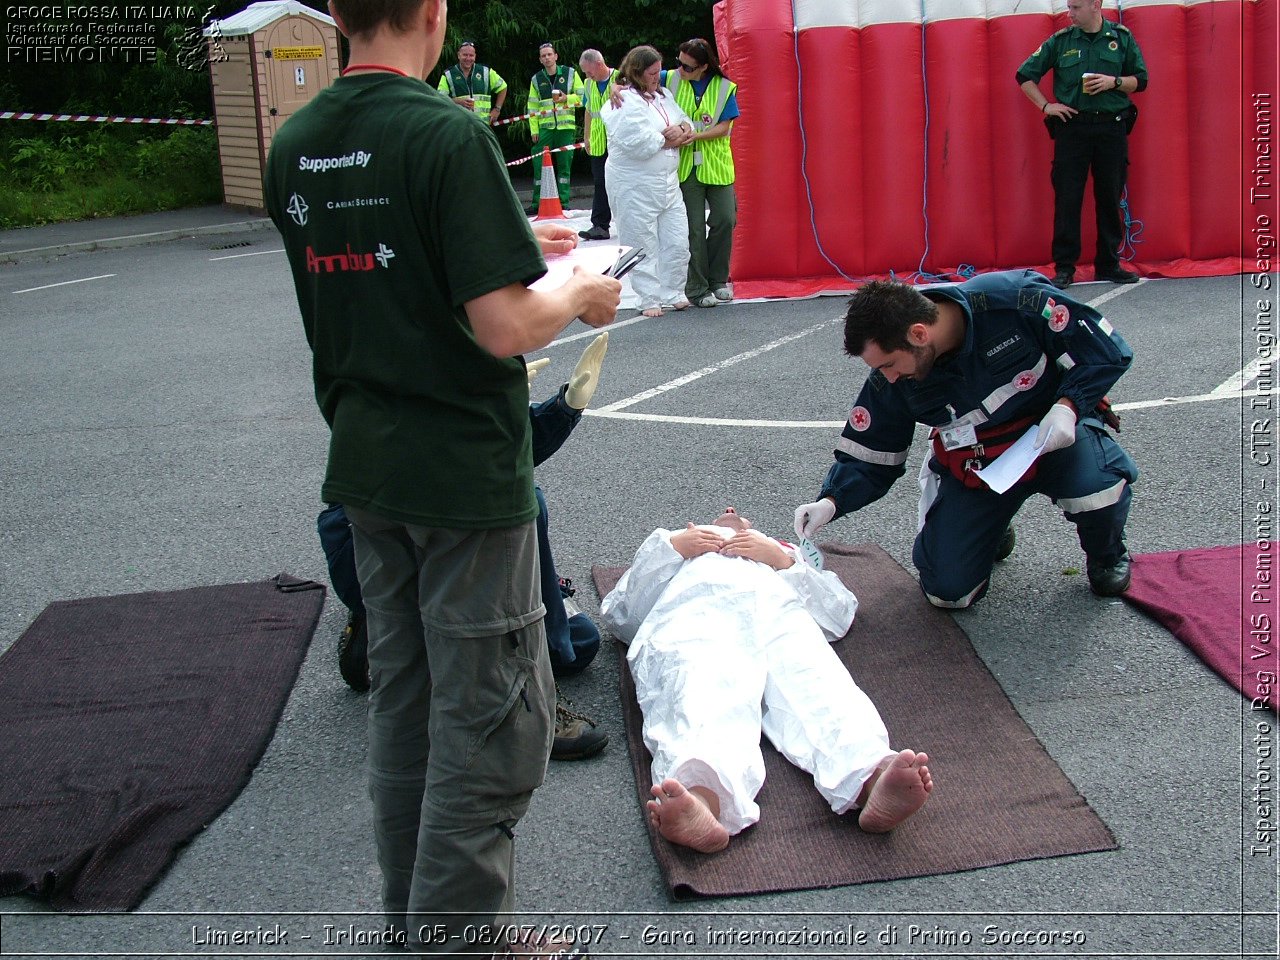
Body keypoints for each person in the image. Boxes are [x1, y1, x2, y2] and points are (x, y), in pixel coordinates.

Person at [262, 0, 621, 948]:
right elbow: (502, 328)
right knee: (492, 732)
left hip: (366, 471)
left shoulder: (296, 141)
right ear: (434, 12)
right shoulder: (445, 131)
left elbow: (386, 270)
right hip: (462, 481)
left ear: (338, 13)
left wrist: (514, 254)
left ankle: (419, 930)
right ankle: (458, 944)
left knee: (409, 718)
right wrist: (578, 289)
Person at [316, 337, 613, 762]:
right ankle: (526, 707)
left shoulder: (437, 397)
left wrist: (566, 407)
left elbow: (494, 454)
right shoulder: (401, 405)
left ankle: (402, 641)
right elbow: (478, 463)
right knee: (519, 509)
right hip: (381, 557)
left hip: (431, 549)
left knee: (577, 641)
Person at [794, 270, 1138, 611]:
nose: (889, 376)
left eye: (889, 364)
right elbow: (872, 454)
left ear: (918, 333)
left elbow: (1105, 349)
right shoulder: (894, 379)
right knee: (947, 591)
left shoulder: (1015, 301)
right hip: (980, 463)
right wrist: (831, 501)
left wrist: (1069, 406)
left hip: (1054, 438)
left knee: (1098, 489)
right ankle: (993, 527)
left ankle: (1107, 555)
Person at [600, 507, 933, 853]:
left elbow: (838, 613)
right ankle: (701, 799)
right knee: (701, 690)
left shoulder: (783, 551)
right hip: (699, 619)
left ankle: (871, 775)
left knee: (818, 685)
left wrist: (784, 562)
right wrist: (673, 548)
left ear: (752, 525)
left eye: (738, 513)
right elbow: (622, 614)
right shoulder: (672, 545)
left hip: (778, 619)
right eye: (723, 511)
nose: (730, 510)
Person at [1016, 0, 1148, 290]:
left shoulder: (1120, 37)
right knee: (1067, 198)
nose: (1069, 13)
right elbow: (1024, 75)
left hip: (1111, 127)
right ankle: (1064, 268)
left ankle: (1109, 263)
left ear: (1095, 5)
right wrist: (1046, 106)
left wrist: (1113, 82)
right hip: (1072, 128)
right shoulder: (1061, 41)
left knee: (1110, 196)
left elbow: (1141, 80)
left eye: (1076, 7)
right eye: (1069, 6)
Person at [601, 45, 694, 318]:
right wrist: (672, 137)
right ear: (638, 72)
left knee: (677, 240)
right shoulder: (622, 102)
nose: (657, 77)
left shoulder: (662, 95)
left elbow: (685, 122)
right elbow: (639, 143)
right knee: (641, 241)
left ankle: (674, 291)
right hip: (634, 184)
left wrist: (682, 130)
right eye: (652, 73)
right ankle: (648, 297)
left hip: (667, 183)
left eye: (658, 72)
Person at [666, 38, 738, 309]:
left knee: (725, 220)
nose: (680, 69)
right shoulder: (670, 79)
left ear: (704, 67)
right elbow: (638, 74)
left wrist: (696, 135)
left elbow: (724, 127)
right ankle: (697, 287)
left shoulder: (724, 87)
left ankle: (718, 280)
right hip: (686, 168)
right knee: (693, 228)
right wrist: (616, 85)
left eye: (687, 66)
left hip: (717, 165)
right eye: (679, 62)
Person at [527, 42, 584, 212]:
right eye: (543, 55)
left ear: (556, 56)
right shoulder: (536, 79)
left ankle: (564, 203)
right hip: (545, 129)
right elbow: (532, 106)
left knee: (564, 166)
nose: (547, 58)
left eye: (549, 54)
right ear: (540, 59)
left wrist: (567, 98)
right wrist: (534, 130)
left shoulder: (570, 74)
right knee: (539, 165)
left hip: (566, 128)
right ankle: (537, 203)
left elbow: (583, 98)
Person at [576, 49, 618, 241]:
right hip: (599, 142)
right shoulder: (588, 84)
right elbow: (588, 111)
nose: (587, 75)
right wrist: (586, 136)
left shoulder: (620, 79)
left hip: (618, 142)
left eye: (588, 71)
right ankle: (599, 225)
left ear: (599, 64)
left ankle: (624, 222)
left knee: (622, 183)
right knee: (600, 183)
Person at [437, 39, 507, 124]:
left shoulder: (485, 72)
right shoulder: (448, 75)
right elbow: (440, 100)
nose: (468, 58)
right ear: (458, 55)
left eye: (471, 55)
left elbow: (503, 87)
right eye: (465, 55)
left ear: (475, 56)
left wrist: (497, 109)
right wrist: (457, 101)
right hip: (460, 127)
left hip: (483, 126)